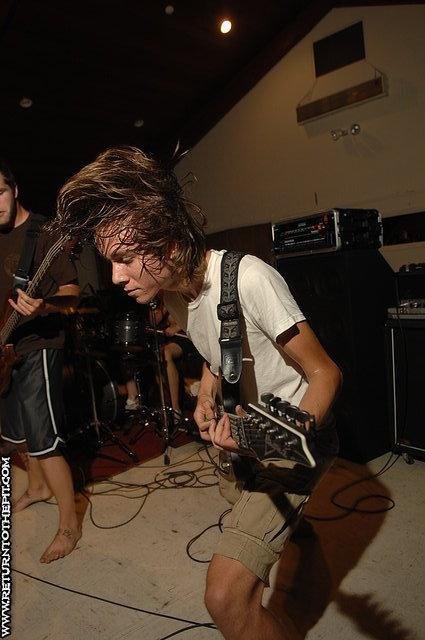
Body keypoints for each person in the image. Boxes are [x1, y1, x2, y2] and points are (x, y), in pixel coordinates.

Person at [50, 146, 342, 639]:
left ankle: (291, 508)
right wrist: (206, 395)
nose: (116, 277)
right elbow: (214, 349)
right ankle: (292, 527)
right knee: (241, 499)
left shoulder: (249, 279)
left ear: (166, 241)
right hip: (245, 441)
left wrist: (276, 443)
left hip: (293, 439)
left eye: (124, 259)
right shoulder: (175, 294)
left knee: (225, 597)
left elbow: (326, 374)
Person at [0, 159, 81, 563]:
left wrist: (43, 305)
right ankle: (37, 488)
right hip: (6, 349)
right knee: (17, 435)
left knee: (44, 439)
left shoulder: (44, 232)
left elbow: (73, 294)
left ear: (14, 189)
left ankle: (69, 523)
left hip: (40, 344)